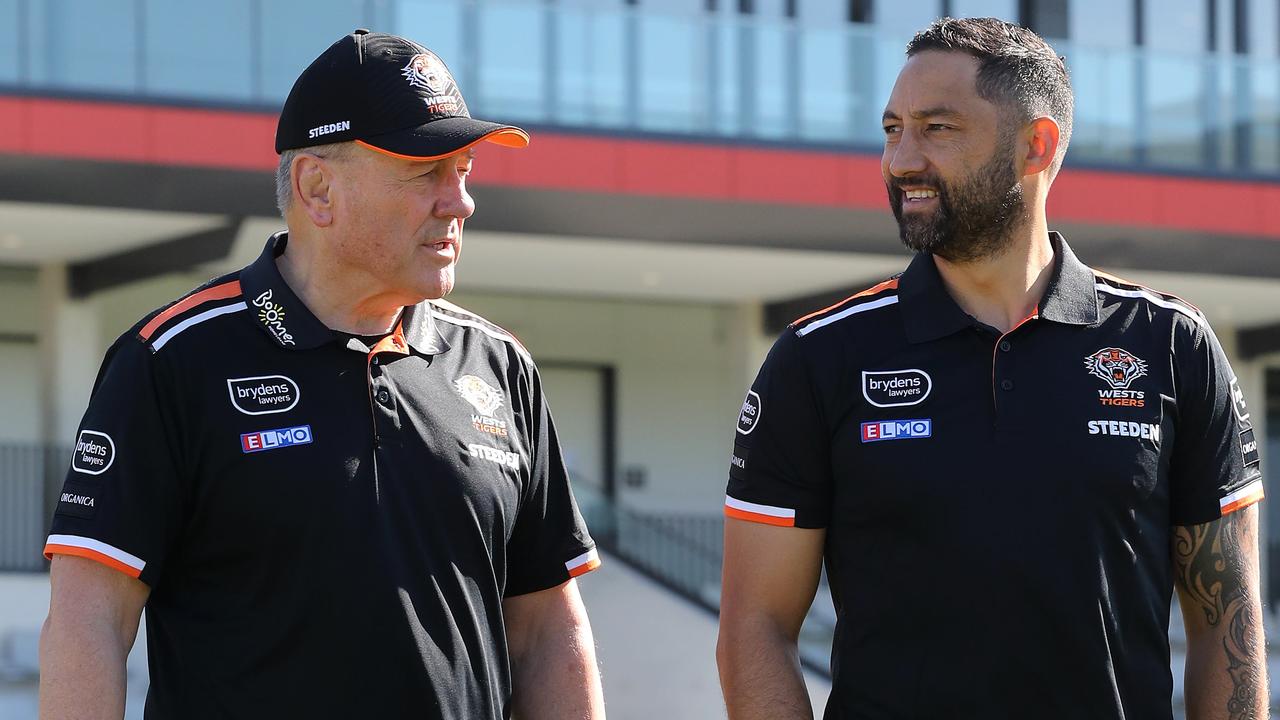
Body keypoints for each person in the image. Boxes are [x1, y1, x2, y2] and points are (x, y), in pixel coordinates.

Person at [39, 29, 604, 719]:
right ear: (317, 187)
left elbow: (549, 627)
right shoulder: (171, 360)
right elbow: (88, 619)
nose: (460, 203)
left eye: (464, 171)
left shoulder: (499, 367)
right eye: (426, 172)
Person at [717, 17, 1266, 720]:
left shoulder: (1172, 346)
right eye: (892, 129)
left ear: (1036, 146)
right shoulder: (817, 357)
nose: (902, 159)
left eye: (937, 129)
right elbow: (752, 631)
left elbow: (1229, 623)